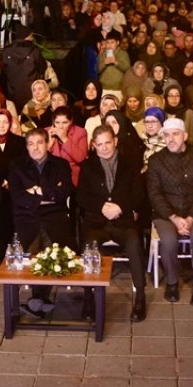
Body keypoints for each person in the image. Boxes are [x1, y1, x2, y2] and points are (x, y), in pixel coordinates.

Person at [79, 125, 149, 321]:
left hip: (123, 221)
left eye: (107, 143)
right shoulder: (88, 166)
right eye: (99, 144)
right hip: (97, 222)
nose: (104, 148)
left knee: (135, 244)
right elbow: (82, 196)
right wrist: (101, 206)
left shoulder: (130, 164)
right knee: (87, 246)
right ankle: (88, 298)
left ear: (115, 141)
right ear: (94, 145)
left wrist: (120, 208)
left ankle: (140, 298)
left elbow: (138, 194)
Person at [148, 118, 193, 305]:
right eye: (167, 135)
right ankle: (171, 282)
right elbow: (155, 194)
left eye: (175, 134)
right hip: (167, 214)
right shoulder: (156, 160)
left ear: (185, 136)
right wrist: (175, 218)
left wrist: (191, 217)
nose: (171, 139)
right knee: (168, 240)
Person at [9, 129, 76, 312]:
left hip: (54, 218)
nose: (35, 147)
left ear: (48, 144)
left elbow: (65, 193)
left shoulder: (60, 165)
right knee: (30, 254)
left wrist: (37, 191)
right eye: (31, 144)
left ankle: (37, 300)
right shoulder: (17, 166)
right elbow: (16, 196)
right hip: (27, 219)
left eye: (39, 142)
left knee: (51, 254)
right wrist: (48, 194)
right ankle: (39, 299)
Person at [0, 27, 47, 109]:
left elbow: (3, 69)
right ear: (26, 36)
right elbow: (42, 67)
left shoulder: (6, 51)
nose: (33, 38)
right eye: (31, 36)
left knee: (14, 114)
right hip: (31, 91)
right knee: (30, 117)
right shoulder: (34, 51)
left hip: (12, 90)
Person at [47, 107, 88, 185]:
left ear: (71, 121)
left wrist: (64, 138)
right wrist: (49, 146)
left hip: (72, 176)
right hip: (52, 176)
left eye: (65, 122)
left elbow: (81, 158)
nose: (60, 126)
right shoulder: (46, 132)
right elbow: (39, 160)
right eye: (57, 122)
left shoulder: (80, 132)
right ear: (53, 122)